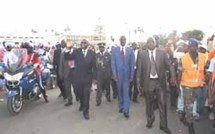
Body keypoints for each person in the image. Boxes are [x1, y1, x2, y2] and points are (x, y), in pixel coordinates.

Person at [136, 37, 175, 134]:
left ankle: (163, 125)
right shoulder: (142, 55)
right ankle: (150, 119)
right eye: (148, 42)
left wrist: (173, 76)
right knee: (149, 104)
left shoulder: (162, 53)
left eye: (152, 42)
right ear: (146, 44)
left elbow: (170, 65)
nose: (150, 44)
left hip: (160, 83)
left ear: (155, 43)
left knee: (163, 104)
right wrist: (138, 83)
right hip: (148, 83)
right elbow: (139, 71)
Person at [178, 38, 206, 134]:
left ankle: (183, 116)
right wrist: (178, 86)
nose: (193, 48)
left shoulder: (203, 57)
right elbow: (179, 72)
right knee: (189, 105)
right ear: (188, 47)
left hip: (198, 85)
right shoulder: (183, 58)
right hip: (187, 85)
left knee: (190, 103)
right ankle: (190, 126)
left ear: (197, 47)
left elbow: (205, 69)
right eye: (191, 47)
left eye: (194, 46)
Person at [65, 39, 96, 120]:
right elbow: (67, 58)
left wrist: (94, 78)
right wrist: (67, 49)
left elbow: (94, 67)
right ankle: (82, 104)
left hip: (87, 78)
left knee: (86, 95)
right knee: (80, 94)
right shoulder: (76, 52)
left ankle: (86, 111)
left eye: (85, 42)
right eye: (82, 42)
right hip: (78, 78)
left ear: (88, 44)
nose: (83, 43)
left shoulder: (92, 53)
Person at [111, 35, 135, 119]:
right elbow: (113, 63)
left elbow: (132, 64)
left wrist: (132, 75)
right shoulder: (114, 50)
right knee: (120, 92)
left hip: (127, 76)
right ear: (119, 40)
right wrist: (114, 74)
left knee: (126, 93)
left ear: (126, 40)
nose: (123, 40)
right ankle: (121, 106)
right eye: (122, 39)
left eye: (124, 39)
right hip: (118, 76)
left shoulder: (130, 50)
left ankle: (126, 110)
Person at [59, 39, 76, 106]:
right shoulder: (63, 54)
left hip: (75, 73)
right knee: (67, 88)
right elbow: (61, 64)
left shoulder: (76, 52)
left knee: (76, 87)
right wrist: (61, 74)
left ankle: (78, 96)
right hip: (66, 74)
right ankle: (70, 100)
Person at [95, 42, 112, 106]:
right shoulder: (96, 55)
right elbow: (94, 66)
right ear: (99, 48)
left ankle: (108, 97)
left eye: (102, 47)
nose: (101, 48)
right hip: (99, 75)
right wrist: (95, 76)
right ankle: (98, 100)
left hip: (107, 74)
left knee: (107, 87)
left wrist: (111, 74)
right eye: (100, 47)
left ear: (104, 47)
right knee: (99, 88)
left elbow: (111, 65)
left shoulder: (109, 55)